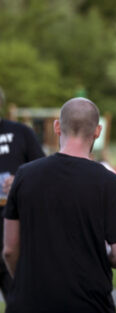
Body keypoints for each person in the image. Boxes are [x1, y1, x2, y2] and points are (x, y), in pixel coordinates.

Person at [2, 97, 116, 313]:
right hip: (89, 303)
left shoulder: (24, 175)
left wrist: (24, 282)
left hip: (28, 303)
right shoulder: (110, 183)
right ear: (98, 131)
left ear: (57, 126)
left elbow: (9, 249)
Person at [0, 88, 45, 299]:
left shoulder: (21, 132)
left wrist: (19, 183)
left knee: (18, 298)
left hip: (15, 228)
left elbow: (44, 175)